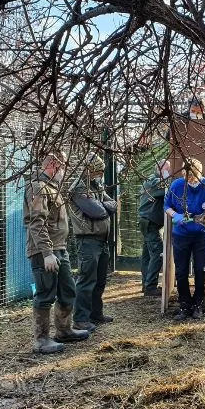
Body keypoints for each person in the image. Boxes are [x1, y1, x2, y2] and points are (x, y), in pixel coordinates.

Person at [24, 151, 90, 354]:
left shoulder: (53, 187)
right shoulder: (38, 187)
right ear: (53, 166)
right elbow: (36, 222)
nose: (65, 171)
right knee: (45, 294)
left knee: (68, 290)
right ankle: (41, 340)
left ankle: (63, 330)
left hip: (59, 248)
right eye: (63, 167)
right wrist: (47, 253)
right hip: (44, 251)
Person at [164, 158, 205, 320]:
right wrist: (175, 215)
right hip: (181, 234)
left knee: (200, 270)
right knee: (181, 271)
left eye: (192, 176)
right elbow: (167, 205)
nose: (189, 179)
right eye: (186, 175)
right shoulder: (176, 186)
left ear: (199, 173)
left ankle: (198, 304)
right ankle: (184, 304)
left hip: (201, 234)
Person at [68, 152, 118, 333]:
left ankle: (96, 314)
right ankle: (81, 319)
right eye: (97, 171)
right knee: (87, 280)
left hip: (101, 239)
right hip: (87, 239)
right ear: (88, 170)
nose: (100, 175)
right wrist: (104, 207)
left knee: (100, 280)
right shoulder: (78, 188)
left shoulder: (96, 186)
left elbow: (113, 204)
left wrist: (104, 206)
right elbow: (98, 212)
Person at [138, 159, 171, 297]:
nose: (168, 172)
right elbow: (168, 191)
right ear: (159, 169)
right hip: (150, 223)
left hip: (148, 222)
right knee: (158, 254)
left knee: (147, 254)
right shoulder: (154, 182)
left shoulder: (152, 181)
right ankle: (150, 287)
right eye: (167, 169)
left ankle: (146, 284)